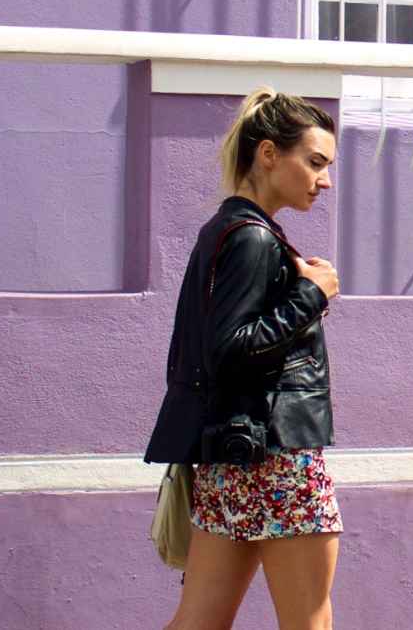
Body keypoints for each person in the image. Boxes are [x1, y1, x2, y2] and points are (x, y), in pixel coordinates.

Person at [145, 87, 343, 630]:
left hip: (234, 456)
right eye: (315, 162)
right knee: (310, 623)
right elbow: (232, 348)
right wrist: (313, 295)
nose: (324, 180)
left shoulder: (225, 231)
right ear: (269, 154)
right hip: (278, 456)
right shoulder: (253, 239)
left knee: (199, 621)